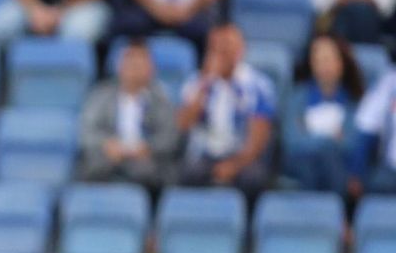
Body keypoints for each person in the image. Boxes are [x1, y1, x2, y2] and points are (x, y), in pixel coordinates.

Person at [176, 22, 276, 198]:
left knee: (253, 178)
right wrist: (206, 83)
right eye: (216, 48)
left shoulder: (258, 86)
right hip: (206, 154)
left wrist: (234, 165)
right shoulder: (196, 83)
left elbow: (259, 139)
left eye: (227, 48)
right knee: (185, 173)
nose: (221, 54)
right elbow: (183, 124)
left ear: (241, 50)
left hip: (242, 155)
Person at [79, 38, 180, 188]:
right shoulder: (101, 95)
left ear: (151, 68)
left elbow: (169, 136)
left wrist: (148, 147)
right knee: (90, 168)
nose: (135, 69)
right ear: (120, 66)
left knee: (152, 171)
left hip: (145, 161)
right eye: (131, 62)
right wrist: (106, 144)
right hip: (109, 157)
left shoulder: (162, 98)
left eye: (140, 63)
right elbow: (87, 131)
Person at [283, 33, 365, 193]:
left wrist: (310, 137)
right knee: (315, 161)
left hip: (339, 166)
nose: (324, 66)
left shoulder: (354, 102)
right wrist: (330, 140)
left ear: (342, 63)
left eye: (329, 59)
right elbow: (292, 142)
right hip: (301, 163)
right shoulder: (297, 98)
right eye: (319, 60)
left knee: (330, 159)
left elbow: (352, 144)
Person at [348, 64, 396, 195]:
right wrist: (356, 172)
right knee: (376, 184)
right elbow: (366, 128)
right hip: (391, 171)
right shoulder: (388, 83)